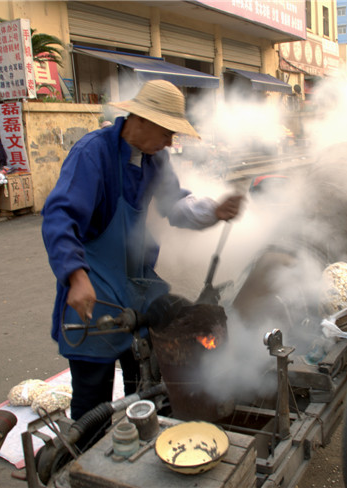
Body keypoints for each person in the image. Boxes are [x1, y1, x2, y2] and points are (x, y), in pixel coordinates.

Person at [41, 80, 243, 424]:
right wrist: (76, 277)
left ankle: (140, 447)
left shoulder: (155, 159)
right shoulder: (93, 154)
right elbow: (60, 217)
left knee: (145, 388)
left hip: (135, 286)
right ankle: (86, 462)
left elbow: (175, 205)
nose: (170, 142)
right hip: (95, 291)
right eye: (167, 132)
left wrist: (215, 211)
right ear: (142, 120)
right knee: (93, 404)